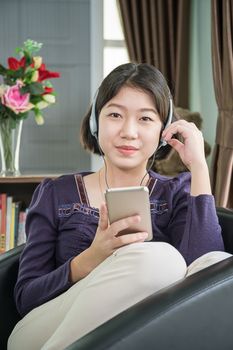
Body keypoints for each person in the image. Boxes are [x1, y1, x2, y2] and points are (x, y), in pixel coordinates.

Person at [8, 63, 231, 350]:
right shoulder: (56, 193)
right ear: (95, 123)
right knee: (160, 259)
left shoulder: (176, 193)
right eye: (115, 114)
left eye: (145, 119)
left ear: (163, 131)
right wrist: (90, 259)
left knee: (216, 263)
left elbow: (206, 281)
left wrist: (199, 167)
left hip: (141, 337)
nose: (129, 131)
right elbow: (26, 298)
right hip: (40, 332)